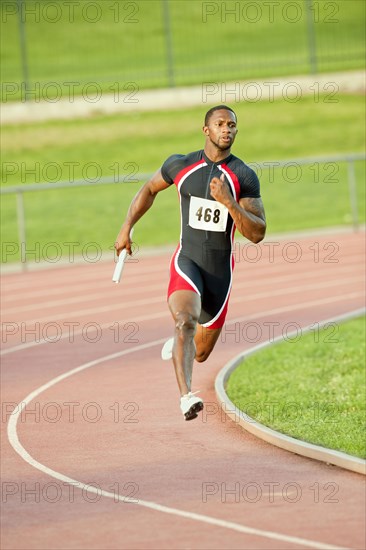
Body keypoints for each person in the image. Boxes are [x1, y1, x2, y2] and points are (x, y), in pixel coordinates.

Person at [114, 105, 266, 421]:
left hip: (219, 275)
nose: (228, 130)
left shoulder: (242, 176)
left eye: (233, 125)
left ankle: (181, 344)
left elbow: (257, 233)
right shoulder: (181, 165)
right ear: (206, 130)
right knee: (184, 319)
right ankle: (186, 397)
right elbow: (149, 189)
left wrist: (228, 202)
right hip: (189, 262)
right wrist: (126, 227)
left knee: (199, 353)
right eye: (221, 124)